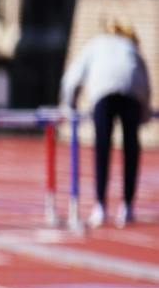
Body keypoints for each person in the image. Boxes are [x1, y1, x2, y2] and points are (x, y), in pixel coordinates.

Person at [61, 20, 150, 228]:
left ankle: (100, 206)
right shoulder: (131, 47)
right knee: (131, 149)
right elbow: (145, 82)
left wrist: (69, 107)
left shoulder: (96, 44)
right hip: (131, 92)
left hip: (104, 91)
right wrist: (144, 115)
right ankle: (127, 207)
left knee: (102, 148)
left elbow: (73, 77)